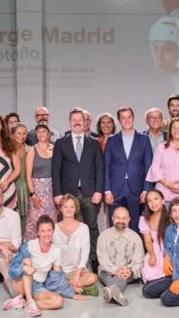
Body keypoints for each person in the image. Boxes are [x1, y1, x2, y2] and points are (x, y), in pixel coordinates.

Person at [52, 108, 104, 268]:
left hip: (89, 193)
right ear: (69, 122)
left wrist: (99, 190)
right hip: (68, 194)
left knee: (92, 226)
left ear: (85, 122)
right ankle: (64, 261)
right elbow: (56, 170)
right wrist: (58, 193)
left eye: (79, 119)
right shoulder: (61, 143)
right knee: (65, 228)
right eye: (73, 119)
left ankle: (94, 260)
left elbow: (99, 169)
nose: (76, 122)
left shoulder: (94, 143)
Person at [9, 215, 88, 316]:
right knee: (27, 264)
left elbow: (57, 278)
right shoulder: (29, 246)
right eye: (42, 231)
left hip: (37, 286)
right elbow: (12, 272)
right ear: (37, 233)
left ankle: (24, 304)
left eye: (49, 230)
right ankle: (29, 301)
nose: (46, 234)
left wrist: (71, 294)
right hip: (20, 284)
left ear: (53, 231)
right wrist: (24, 267)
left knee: (58, 301)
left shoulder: (56, 251)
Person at [104, 107, 153, 232]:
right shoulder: (111, 140)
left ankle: (134, 251)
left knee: (135, 225)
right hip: (115, 189)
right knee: (114, 225)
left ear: (133, 118)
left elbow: (149, 166)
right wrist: (107, 190)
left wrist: (146, 189)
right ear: (119, 121)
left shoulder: (144, 139)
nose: (127, 120)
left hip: (136, 189)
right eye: (123, 117)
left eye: (129, 117)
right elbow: (106, 166)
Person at [96, 206, 144, 306]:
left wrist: (130, 271)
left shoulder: (135, 238)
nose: (120, 221)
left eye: (124, 218)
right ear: (112, 218)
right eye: (117, 218)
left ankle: (111, 292)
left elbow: (138, 261)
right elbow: (103, 261)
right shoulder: (104, 236)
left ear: (129, 220)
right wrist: (116, 270)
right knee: (110, 276)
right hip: (107, 271)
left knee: (122, 277)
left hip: (127, 273)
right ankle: (115, 293)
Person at [53, 194, 99, 295]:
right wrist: (58, 273)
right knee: (47, 278)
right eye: (65, 206)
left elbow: (85, 253)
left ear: (76, 209)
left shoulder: (83, 228)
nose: (68, 209)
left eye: (71, 207)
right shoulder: (54, 228)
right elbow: (51, 253)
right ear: (60, 209)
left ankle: (66, 287)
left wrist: (77, 275)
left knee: (93, 277)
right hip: (59, 271)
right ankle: (76, 288)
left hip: (77, 271)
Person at [24, 122, 59, 240]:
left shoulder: (55, 150)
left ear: (49, 134)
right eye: (38, 132)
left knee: (52, 221)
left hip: (52, 191)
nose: (41, 134)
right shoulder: (32, 151)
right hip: (37, 191)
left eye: (44, 131)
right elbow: (28, 175)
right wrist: (32, 194)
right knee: (35, 221)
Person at [139, 189, 169, 285]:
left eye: (156, 199)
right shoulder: (145, 219)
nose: (153, 203)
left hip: (169, 250)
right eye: (149, 201)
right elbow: (148, 241)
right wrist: (152, 255)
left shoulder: (171, 216)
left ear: (163, 200)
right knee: (150, 274)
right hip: (154, 249)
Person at [11, 123, 30, 222]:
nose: (21, 136)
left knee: (28, 219)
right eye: (18, 133)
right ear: (12, 134)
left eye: (24, 133)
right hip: (13, 186)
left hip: (28, 187)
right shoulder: (8, 150)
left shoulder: (30, 149)